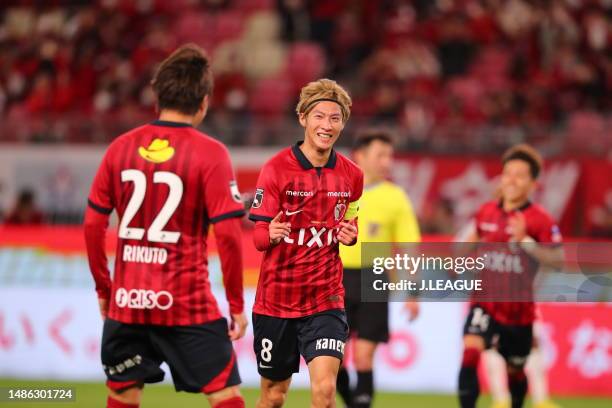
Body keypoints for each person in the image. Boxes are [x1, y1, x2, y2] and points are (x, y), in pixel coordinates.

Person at [84, 44, 247, 408]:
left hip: (127, 303)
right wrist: (236, 303)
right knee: (226, 397)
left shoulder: (120, 148)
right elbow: (230, 236)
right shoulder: (211, 153)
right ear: (204, 102)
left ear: (156, 95)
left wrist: (105, 289)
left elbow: (93, 224)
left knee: (123, 395)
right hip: (187, 304)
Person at [248, 78, 363, 408]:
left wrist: (351, 235)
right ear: (303, 118)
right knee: (272, 396)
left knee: (325, 392)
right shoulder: (275, 170)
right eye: (319, 116)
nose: (327, 125)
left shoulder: (353, 175)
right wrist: (268, 234)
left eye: (335, 118)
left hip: (325, 301)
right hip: (276, 303)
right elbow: (258, 237)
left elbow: (350, 225)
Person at [457, 144, 563, 408]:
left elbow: (558, 260)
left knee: (516, 370)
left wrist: (526, 241)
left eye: (520, 175)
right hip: (484, 302)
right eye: (508, 173)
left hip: (518, 311)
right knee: (470, 353)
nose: (512, 180)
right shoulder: (486, 212)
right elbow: (463, 247)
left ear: (533, 183)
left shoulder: (541, 220)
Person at [336, 130, 421, 408]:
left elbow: (410, 246)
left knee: (363, 356)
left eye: (390, 156)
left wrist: (413, 292)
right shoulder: (341, 190)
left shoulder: (395, 197)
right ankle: (352, 402)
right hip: (335, 276)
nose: (387, 162)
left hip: (374, 275)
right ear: (360, 156)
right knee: (333, 358)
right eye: (380, 155)